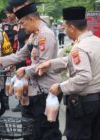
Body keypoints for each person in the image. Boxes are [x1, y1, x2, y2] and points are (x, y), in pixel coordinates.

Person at [0, 3, 62, 140]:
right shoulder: (34, 35)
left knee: (46, 132)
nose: (22, 27)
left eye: (23, 23)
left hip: (45, 92)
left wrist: (24, 70)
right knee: (30, 131)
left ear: (31, 19)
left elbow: (43, 65)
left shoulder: (45, 35)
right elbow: (19, 56)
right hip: (33, 91)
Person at [36, 6, 100, 140]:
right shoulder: (95, 42)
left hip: (84, 105)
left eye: (64, 27)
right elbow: (73, 60)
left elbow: (83, 77)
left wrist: (60, 87)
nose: (64, 31)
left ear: (72, 27)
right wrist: (51, 63)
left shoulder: (80, 48)